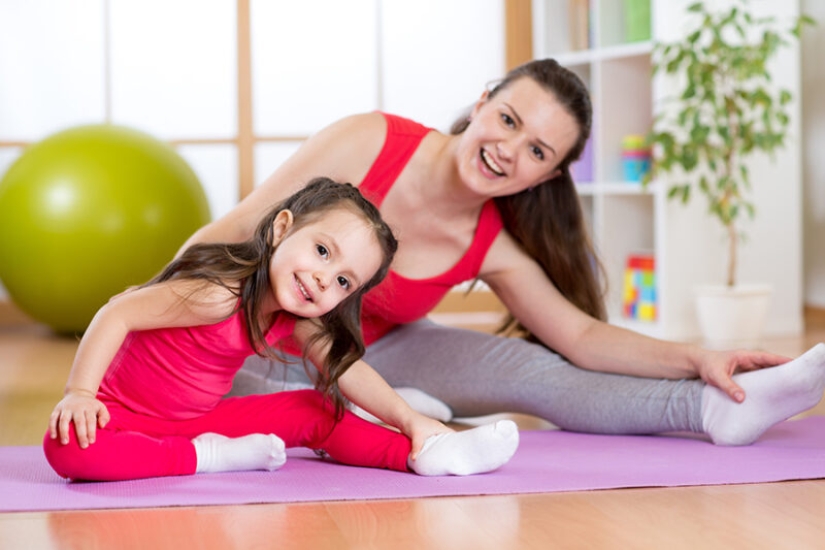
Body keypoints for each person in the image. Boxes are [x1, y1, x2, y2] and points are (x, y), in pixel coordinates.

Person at [183, 59, 825, 447]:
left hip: (383, 349)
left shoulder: (494, 246)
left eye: (538, 152)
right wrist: (149, 307)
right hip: (268, 344)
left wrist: (700, 359)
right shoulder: (371, 140)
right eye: (510, 120)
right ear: (484, 102)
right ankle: (372, 407)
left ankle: (715, 411)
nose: (508, 150)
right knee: (239, 394)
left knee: (535, 370)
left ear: (545, 178)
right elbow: (237, 229)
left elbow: (580, 338)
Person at [43, 178, 519, 482]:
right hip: (119, 418)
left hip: (191, 422)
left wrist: (410, 421)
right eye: (322, 251)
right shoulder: (218, 294)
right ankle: (207, 458)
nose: (322, 278)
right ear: (280, 229)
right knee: (66, 451)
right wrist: (80, 392)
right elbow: (116, 313)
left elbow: (346, 369)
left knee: (315, 407)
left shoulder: (298, 317)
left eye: (342, 281)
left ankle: (427, 455)